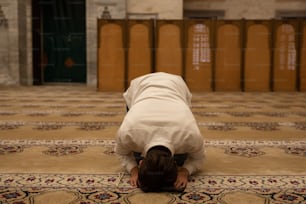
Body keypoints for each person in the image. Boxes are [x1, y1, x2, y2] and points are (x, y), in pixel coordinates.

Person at [115, 72, 204, 192]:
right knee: (176, 159)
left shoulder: (190, 134)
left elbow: (199, 157)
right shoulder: (128, 132)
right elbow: (121, 153)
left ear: (141, 163)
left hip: (175, 85)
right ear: (140, 163)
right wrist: (133, 170)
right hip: (142, 87)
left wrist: (184, 171)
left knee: (172, 161)